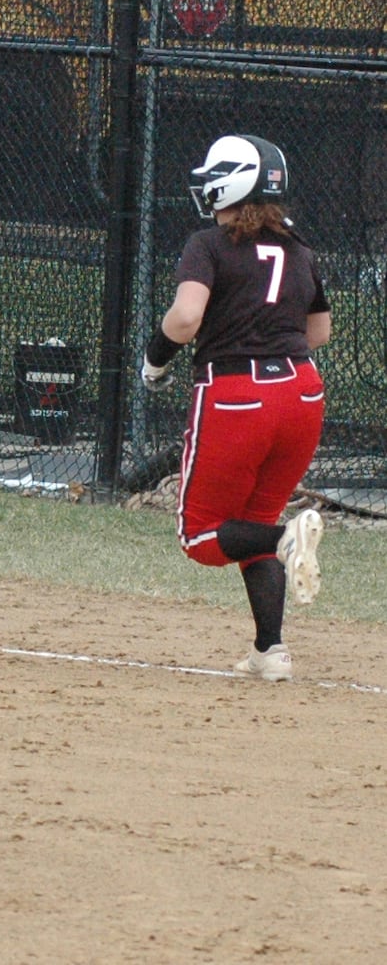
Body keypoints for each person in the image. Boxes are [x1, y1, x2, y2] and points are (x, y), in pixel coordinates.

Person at [141, 134, 330, 683]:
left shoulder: (209, 244)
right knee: (254, 519)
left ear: (232, 185)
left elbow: (184, 319)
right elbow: (318, 332)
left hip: (237, 397)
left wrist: (155, 361)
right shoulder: (299, 248)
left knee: (201, 538)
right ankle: (270, 652)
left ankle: (286, 540)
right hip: (302, 394)